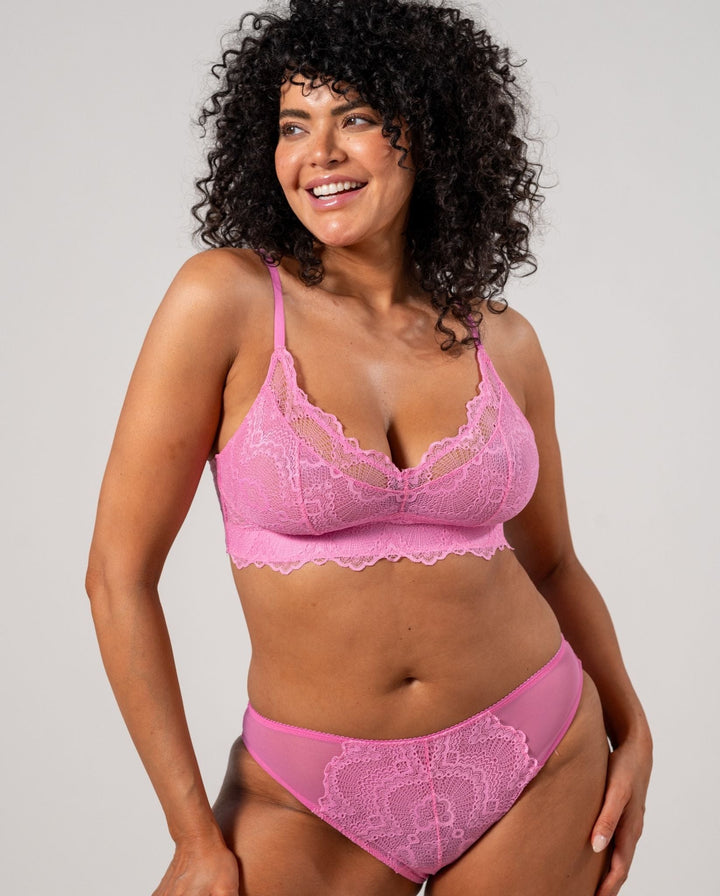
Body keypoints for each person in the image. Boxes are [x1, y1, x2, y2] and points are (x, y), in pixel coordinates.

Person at [86, 1, 652, 893]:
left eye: (354, 118)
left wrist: (633, 726)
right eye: (293, 125)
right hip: (305, 795)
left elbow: (553, 564)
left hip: (540, 758)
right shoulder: (225, 302)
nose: (319, 153)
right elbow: (118, 578)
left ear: (427, 136)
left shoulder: (504, 342)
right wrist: (193, 833)